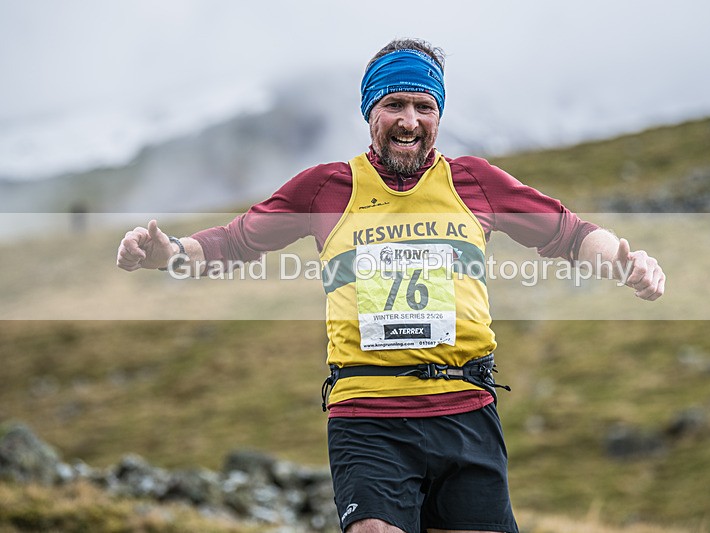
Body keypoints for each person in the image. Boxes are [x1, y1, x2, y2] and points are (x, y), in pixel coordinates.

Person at [117, 38, 665, 533]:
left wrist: (626, 260)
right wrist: (171, 255)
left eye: (424, 106)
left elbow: (570, 234)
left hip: (465, 409)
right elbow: (236, 242)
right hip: (369, 414)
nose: (410, 120)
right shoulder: (327, 189)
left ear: (439, 114)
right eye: (394, 105)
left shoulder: (474, 182)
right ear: (369, 114)